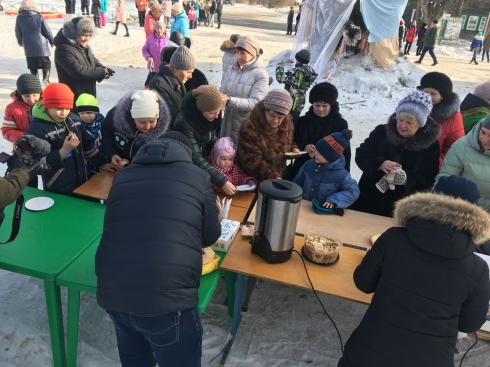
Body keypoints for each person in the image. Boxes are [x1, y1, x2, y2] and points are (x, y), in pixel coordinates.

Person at [95, 131, 221, 367]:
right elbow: (210, 236)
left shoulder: (123, 176)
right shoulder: (198, 175)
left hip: (114, 292)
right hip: (167, 299)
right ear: (186, 155)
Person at [338, 178, 490, 367]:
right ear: (474, 215)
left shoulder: (393, 237)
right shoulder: (478, 268)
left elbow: (363, 282)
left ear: (429, 201)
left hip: (368, 352)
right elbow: (470, 324)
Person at [350, 91, 440, 217]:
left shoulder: (431, 145)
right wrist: (379, 163)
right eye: (400, 120)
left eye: (409, 122)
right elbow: (362, 153)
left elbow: (429, 176)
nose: (402, 125)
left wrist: (406, 178)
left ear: (420, 124)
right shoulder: (382, 132)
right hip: (368, 198)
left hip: (400, 206)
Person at [26, 83, 110, 196]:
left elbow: (87, 146)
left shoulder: (75, 120)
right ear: (47, 105)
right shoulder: (37, 129)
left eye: (67, 108)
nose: (63, 113)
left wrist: (103, 163)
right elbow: (38, 164)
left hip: (84, 181)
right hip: (58, 188)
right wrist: (63, 151)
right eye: (59, 108)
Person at [173, 85, 237, 195]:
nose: (216, 116)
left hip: (201, 161)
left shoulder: (205, 118)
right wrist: (222, 181)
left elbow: (209, 137)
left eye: (218, 112)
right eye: (212, 113)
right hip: (184, 167)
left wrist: (224, 149)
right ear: (200, 109)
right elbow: (194, 156)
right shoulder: (184, 123)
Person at [236, 88, 300, 182]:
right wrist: (272, 176)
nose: (275, 121)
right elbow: (251, 160)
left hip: (277, 174)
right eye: (272, 115)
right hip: (251, 179)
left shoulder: (286, 122)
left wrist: (293, 149)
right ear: (265, 109)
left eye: (280, 117)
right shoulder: (250, 127)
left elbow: (288, 140)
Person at [290, 82, 350, 180]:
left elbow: (346, 152)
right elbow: (293, 141)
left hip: (329, 173)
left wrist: (345, 174)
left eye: (325, 106)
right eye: (317, 105)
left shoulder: (340, 124)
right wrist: (304, 146)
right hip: (303, 170)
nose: (320, 109)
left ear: (331, 105)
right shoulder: (302, 121)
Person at [220, 36, 269, 146]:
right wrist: (218, 97)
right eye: (237, 52)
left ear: (252, 54)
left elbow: (255, 103)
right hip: (227, 119)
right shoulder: (232, 68)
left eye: (243, 53)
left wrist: (230, 101)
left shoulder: (260, 74)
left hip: (245, 123)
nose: (238, 57)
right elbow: (223, 89)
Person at [436, 115, 490, 212]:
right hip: (461, 214)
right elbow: (445, 178)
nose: (484, 139)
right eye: (483, 132)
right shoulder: (462, 147)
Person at [101, 90, 170, 165]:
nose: (147, 127)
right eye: (142, 122)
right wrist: (112, 153)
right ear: (132, 117)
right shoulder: (114, 116)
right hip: (120, 168)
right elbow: (106, 131)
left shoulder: (166, 132)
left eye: (152, 121)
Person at [294, 131, 359, 209]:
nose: (316, 154)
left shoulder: (341, 175)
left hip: (324, 213)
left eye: (321, 153)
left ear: (330, 157)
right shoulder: (308, 165)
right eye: (317, 150)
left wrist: (334, 200)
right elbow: (296, 184)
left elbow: (353, 191)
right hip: (303, 208)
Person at [54, 17, 112, 103]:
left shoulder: (82, 45)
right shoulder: (63, 49)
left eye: (89, 35)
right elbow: (78, 71)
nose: (87, 38)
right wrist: (101, 71)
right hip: (74, 95)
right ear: (73, 33)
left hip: (87, 92)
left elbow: (93, 61)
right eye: (84, 35)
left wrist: (104, 70)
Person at [420, 71, 464, 167]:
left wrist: (434, 163)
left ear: (443, 96)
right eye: (425, 92)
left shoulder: (453, 118)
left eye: (433, 94)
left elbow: (455, 148)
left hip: (431, 167)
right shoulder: (411, 108)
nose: (428, 97)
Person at [149, 45, 195, 124]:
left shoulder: (178, 78)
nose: (190, 76)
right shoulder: (159, 85)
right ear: (176, 68)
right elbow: (172, 116)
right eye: (188, 72)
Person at [15, 0, 54, 86]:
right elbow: (46, 30)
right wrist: (52, 41)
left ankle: (35, 80)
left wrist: (20, 41)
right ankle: (46, 78)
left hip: (28, 43)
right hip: (41, 43)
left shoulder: (19, 18)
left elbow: (18, 31)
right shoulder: (39, 16)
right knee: (46, 63)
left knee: (32, 64)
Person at [275, 49, 317, 123]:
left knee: (286, 123)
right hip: (300, 102)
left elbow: (280, 78)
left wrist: (279, 68)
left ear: (298, 59)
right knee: (294, 122)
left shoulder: (296, 71)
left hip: (291, 102)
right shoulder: (311, 71)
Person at [2, 74, 42, 144]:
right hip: (24, 148)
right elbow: (6, 130)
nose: (31, 100)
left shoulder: (47, 104)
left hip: (48, 145)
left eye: (34, 95)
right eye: (26, 96)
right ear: (20, 94)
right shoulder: (11, 108)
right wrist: (24, 138)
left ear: (40, 92)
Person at [75, 93, 105, 175]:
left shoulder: (103, 123)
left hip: (104, 159)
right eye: (82, 113)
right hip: (86, 163)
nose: (85, 116)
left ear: (96, 112)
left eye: (89, 112)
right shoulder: (77, 126)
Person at [142, 20, 169, 85]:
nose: (159, 30)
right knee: (150, 83)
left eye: (161, 28)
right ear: (155, 28)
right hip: (153, 67)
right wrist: (148, 57)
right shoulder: (150, 38)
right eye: (157, 28)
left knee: (161, 83)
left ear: (164, 29)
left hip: (163, 67)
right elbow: (144, 49)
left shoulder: (168, 39)